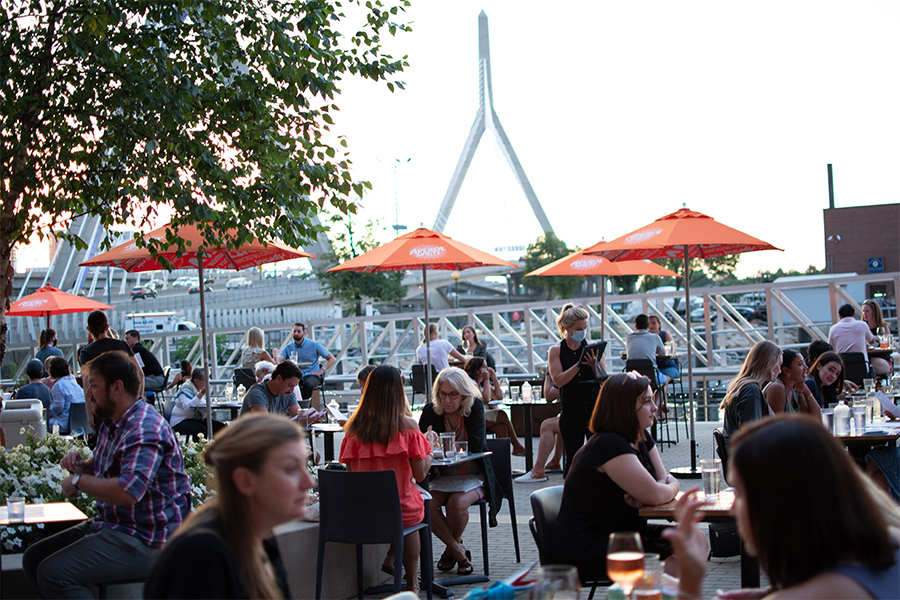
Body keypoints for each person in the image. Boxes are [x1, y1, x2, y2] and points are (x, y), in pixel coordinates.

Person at [666, 416, 900, 600]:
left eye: (741, 494)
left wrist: (690, 582)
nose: (735, 509)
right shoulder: (890, 541)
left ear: (775, 506)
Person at [23, 351, 191, 598]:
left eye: (92, 385)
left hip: (151, 538)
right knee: (33, 559)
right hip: (117, 525)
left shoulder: (144, 427)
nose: (87, 393)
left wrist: (80, 481)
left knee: (54, 573)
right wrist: (84, 466)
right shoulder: (114, 422)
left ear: (117, 388)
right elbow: (113, 466)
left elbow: (129, 490)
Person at [145, 414, 311, 599]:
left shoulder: (260, 540)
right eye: (291, 469)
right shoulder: (202, 556)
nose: (309, 482)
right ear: (245, 481)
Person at [551, 372, 679, 583]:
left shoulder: (641, 435)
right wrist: (672, 487)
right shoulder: (608, 444)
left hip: (622, 532)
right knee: (680, 551)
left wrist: (654, 491)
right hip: (590, 544)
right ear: (625, 407)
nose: (655, 407)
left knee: (692, 540)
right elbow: (659, 492)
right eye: (647, 401)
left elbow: (660, 480)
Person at [339, 366, 432, 593]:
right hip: (399, 508)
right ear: (397, 391)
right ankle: (412, 582)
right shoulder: (408, 426)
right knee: (412, 517)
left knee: (401, 507)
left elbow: (350, 473)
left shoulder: (352, 429)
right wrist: (429, 449)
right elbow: (420, 475)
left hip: (363, 511)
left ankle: (393, 561)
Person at [419, 367, 502, 575]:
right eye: (443, 394)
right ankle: (459, 550)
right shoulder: (431, 411)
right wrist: (426, 441)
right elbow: (419, 446)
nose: (447, 400)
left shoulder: (474, 408)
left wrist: (444, 449)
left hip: (474, 473)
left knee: (456, 504)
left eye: (453, 394)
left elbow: (476, 444)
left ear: (464, 394)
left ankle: (451, 549)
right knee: (425, 505)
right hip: (442, 474)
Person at [548, 303, 605, 475]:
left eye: (585, 328)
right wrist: (579, 365)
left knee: (598, 452)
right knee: (573, 455)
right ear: (567, 328)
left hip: (594, 405)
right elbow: (559, 380)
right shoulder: (556, 350)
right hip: (571, 408)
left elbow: (602, 377)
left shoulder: (592, 347)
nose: (583, 332)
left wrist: (594, 363)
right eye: (579, 328)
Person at [80, 310, 142, 429]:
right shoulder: (122, 345)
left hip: (102, 406)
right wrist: (137, 401)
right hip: (125, 404)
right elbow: (140, 374)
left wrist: (89, 414)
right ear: (107, 327)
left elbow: (87, 385)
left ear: (88, 329)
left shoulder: (86, 352)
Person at [720, 340, 781, 447]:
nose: (780, 371)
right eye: (779, 364)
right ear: (770, 363)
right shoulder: (751, 391)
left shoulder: (742, 387)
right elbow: (752, 435)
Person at [462, 356, 527, 456]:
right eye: (484, 367)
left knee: (502, 428)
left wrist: (494, 377)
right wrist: (487, 379)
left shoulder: (482, 384)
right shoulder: (471, 383)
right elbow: (486, 399)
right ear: (476, 370)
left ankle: (501, 460)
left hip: (481, 416)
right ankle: (517, 446)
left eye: (487, 366)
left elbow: (498, 396)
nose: (487, 370)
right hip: (471, 419)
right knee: (501, 414)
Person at [515, 372, 564, 484]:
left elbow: (549, 396)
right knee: (560, 420)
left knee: (547, 426)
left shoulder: (564, 374)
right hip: (589, 413)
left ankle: (538, 470)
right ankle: (555, 462)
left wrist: (548, 374)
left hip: (580, 417)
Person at [278, 322, 336, 401]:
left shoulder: (314, 345)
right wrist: (274, 356)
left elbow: (332, 359)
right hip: (296, 375)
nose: (296, 333)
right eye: (294, 331)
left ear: (304, 333)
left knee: (308, 384)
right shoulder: (289, 347)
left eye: (299, 331)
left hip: (311, 375)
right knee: (287, 383)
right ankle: (292, 405)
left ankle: (304, 406)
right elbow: (279, 359)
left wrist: (321, 371)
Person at [171, 367, 227, 440]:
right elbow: (187, 406)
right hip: (180, 420)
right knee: (200, 430)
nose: (207, 383)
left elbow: (205, 404)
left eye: (208, 380)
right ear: (196, 381)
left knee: (221, 427)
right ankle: (200, 450)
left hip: (197, 419)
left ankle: (218, 449)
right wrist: (201, 394)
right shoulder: (185, 389)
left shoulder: (198, 390)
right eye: (205, 380)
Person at [763, 348, 821, 418]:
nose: (806, 367)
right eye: (800, 364)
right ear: (786, 370)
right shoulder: (777, 387)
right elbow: (777, 426)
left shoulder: (796, 388)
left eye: (804, 363)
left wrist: (807, 392)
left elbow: (815, 420)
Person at [828, 303, 875, 374]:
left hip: (842, 371)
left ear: (840, 316)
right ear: (854, 315)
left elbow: (831, 349)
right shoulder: (863, 325)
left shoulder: (833, 329)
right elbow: (872, 341)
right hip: (862, 369)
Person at [625, 314, 669, 387]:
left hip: (633, 376)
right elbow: (663, 354)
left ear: (636, 326)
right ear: (648, 325)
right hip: (651, 375)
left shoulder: (629, 337)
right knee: (665, 382)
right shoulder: (655, 337)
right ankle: (656, 399)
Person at [48, 355, 85, 434]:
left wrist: (49, 409)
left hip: (65, 423)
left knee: (43, 425)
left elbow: (58, 408)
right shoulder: (73, 383)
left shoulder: (58, 385)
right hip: (81, 423)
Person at [863, 300, 893, 376]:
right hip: (867, 359)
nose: (864, 314)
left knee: (869, 364)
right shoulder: (862, 327)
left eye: (867, 311)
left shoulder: (883, 327)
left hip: (882, 359)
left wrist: (879, 339)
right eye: (863, 311)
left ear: (874, 312)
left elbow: (889, 345)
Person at [647, 315, 679, 383]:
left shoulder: (665, 334)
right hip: (652, 367)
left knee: (663, 382)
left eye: (654, 323)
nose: (651, 326)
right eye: (649, 323)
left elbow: (673, 349)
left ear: (659, 324)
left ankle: (659, 393)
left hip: (667, 366)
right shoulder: (646, 337)